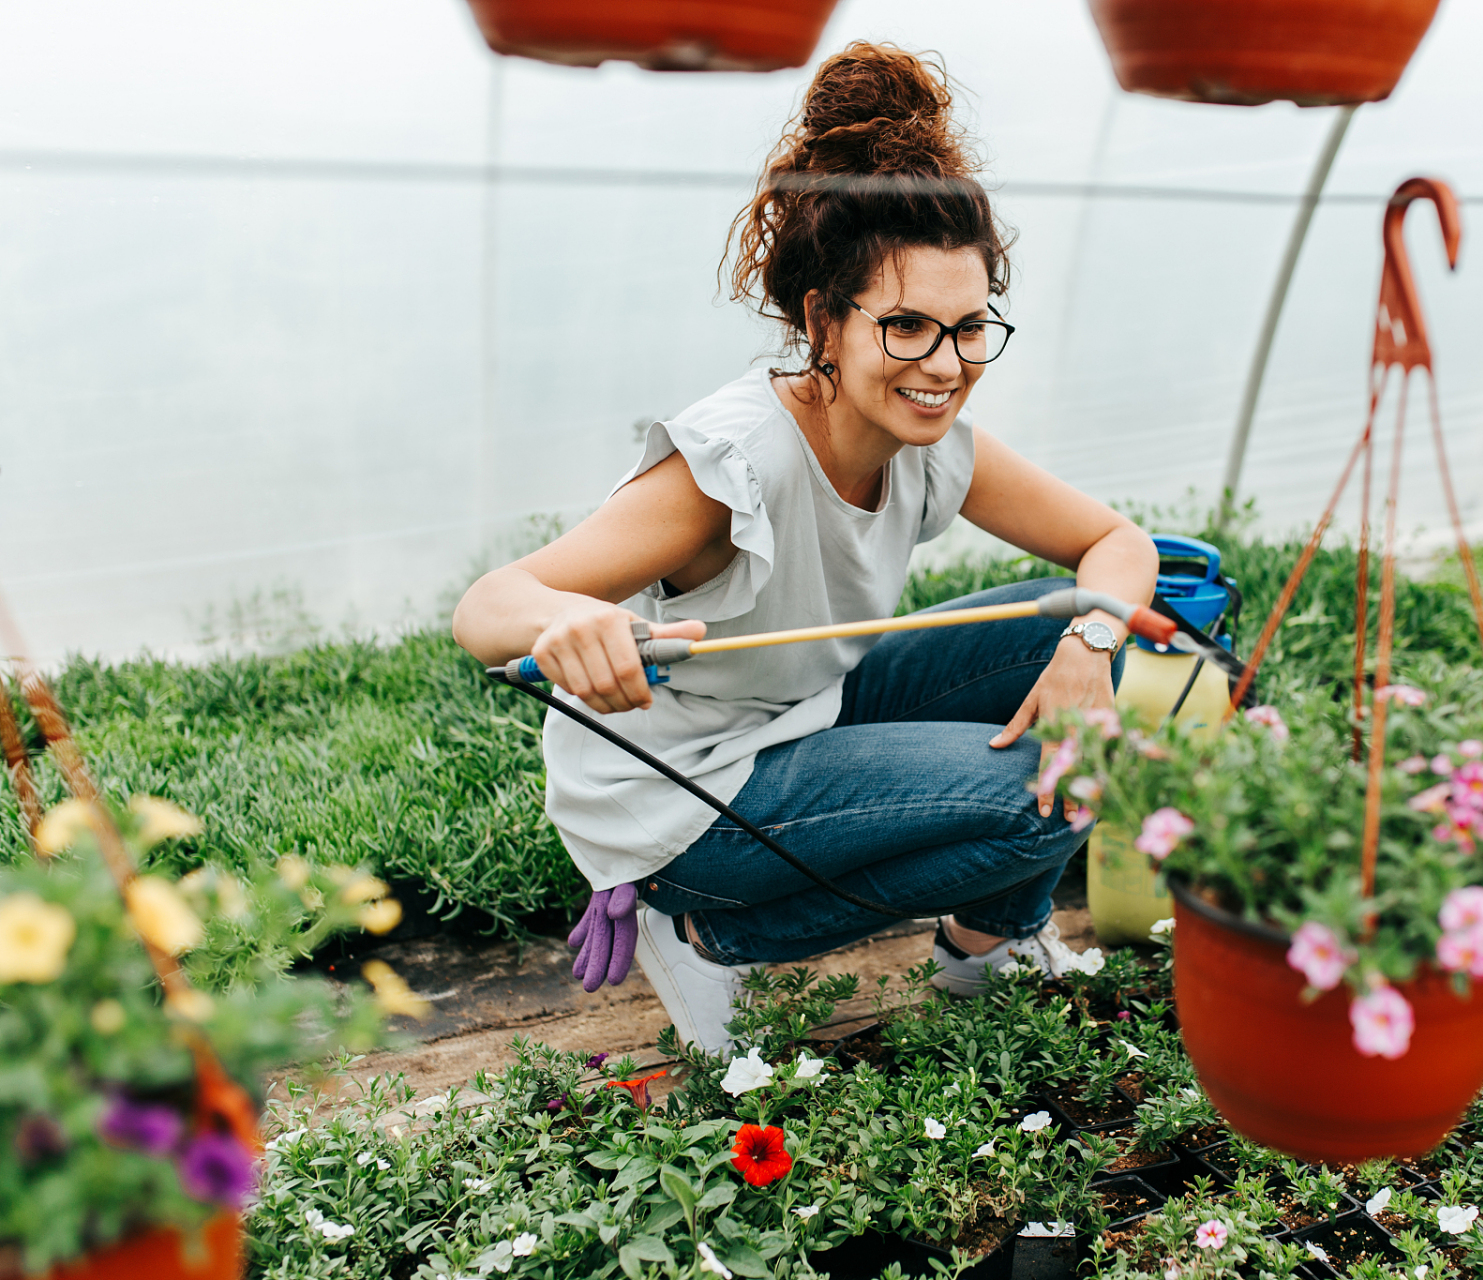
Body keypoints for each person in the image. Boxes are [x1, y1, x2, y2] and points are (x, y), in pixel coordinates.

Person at [452, 42, 1156, 1054]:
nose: (945, 365)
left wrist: (1088, 642)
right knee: (1061, 785)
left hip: (802, 713)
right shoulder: (734, 465)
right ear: (824, 320)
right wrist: (571, 619)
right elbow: (488, 603)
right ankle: (699, 927)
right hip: (687, 796)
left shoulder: (933, 441)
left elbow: (1116, 543)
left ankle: (979, 947)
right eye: (907, 326)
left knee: (1081, 641)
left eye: (968, 328)